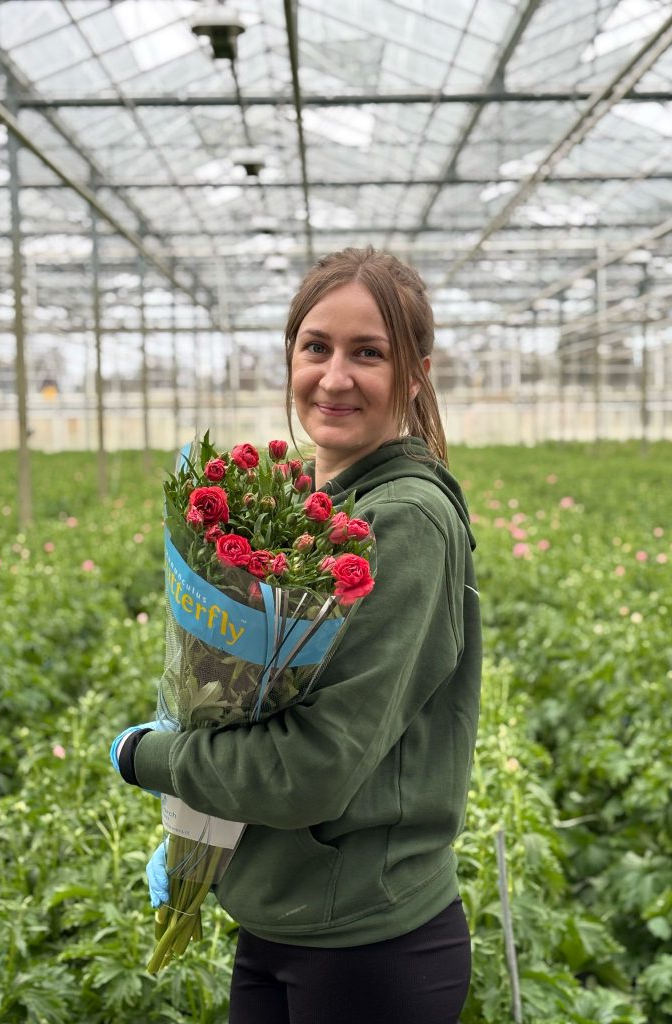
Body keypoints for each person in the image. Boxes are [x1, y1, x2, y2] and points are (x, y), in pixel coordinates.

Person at [112, 247, 482, 1024]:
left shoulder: (402, 520)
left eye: (368, 353)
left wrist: (150, 757)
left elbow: (312, 767)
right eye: (316, 347)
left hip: (367, 953)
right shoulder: (327, 504)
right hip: (284, 919)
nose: (335, 376)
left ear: (415, 373)